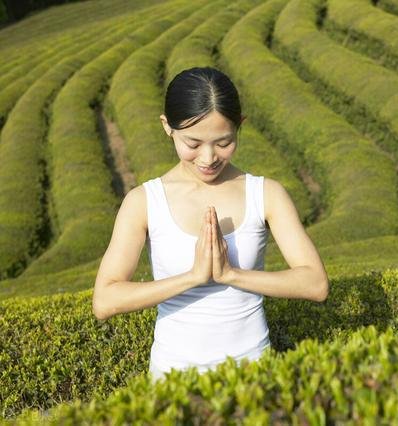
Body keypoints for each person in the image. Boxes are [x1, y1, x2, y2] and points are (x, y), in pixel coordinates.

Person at [92, 67, 329, 383]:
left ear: (239, 127)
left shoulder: (266, 194)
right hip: (172, 382)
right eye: (193, 142)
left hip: (254, 378)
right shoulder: (144, 202)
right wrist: (192, 278)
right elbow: (105, 300)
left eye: (223, 142)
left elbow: (315, 284)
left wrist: (232, 275)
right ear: (168, 127)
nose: (208, 157)